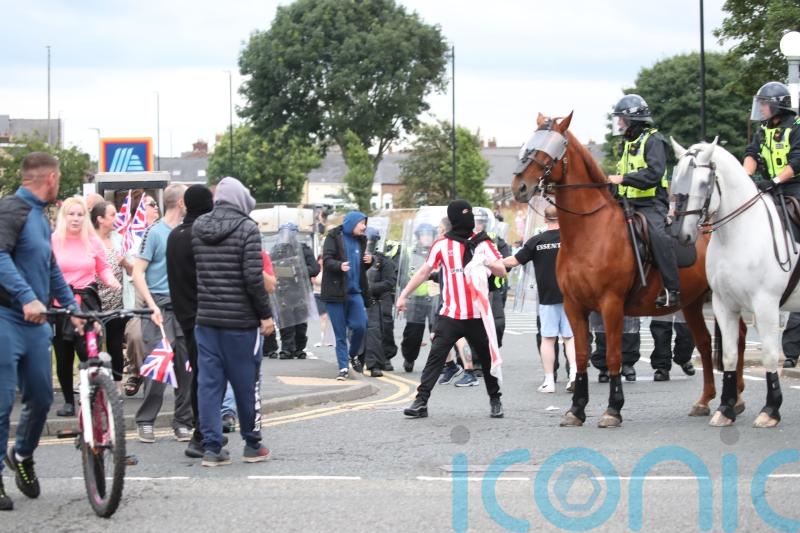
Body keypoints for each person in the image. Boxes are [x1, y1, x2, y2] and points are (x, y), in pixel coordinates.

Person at [0, 152, 85, 511]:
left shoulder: (40, 217)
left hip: (36, 325)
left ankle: (22, 455)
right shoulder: (11, 210)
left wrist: (73, 309)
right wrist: (26, 298)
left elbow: (50, 269)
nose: (59, 182)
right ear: (50, 177)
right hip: (6, 318)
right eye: (60, 177)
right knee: (2, 404)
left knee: (42, 398)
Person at [192, 177, 274, 466]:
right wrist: (265, 315)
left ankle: (212, 448)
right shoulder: (247, 229)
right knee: (246, 384)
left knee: (209, 386)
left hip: (207, 321)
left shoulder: (198, 228)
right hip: (241, 323)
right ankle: (252, 445)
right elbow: (253, 278)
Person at [400, 200, 507, 419]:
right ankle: (421, 402)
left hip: (477, 315)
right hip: (451, 314)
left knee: (486, 360)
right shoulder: (441, 245)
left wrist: (485, 261)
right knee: (435, 358)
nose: (468, 221)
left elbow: (502, 271)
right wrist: (403, 295)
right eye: (463, 216)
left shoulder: (482, 243)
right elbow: (423, 272)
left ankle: (495, 400)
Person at [742, 81, 800, 368]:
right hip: (768, 189)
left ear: (777, 105)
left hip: (794, 188)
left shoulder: (797, 125)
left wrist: (775, 181)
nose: (761, 109)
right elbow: (752, 154)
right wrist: (744, 181)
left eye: (764, 104)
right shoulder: (764, 130)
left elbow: (797, 160)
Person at [132, 183, 193, 444]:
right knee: (158, 365)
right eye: (187, 198)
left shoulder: (186, 232)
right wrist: (151, 305)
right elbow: (137, 272)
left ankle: (183, 421)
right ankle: (145, 421)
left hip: (182, 306)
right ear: (180, 203)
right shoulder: (154, 233)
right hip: (158, 306)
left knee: (186, 366)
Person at [608, 94, 680, 308]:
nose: (619, 123)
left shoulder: (654, 140)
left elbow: (654, 174)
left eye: (621, 118)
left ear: (633, 119)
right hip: (626, 202)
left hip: (651, 203)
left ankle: (672, 290)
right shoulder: (626, 143)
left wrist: (623, 178)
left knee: (658, 236)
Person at [51, 197, 121, 416]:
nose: (75, 218)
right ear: (64, 217)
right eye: (71, 214)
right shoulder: (53, 240)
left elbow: (103, 267)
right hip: (60, 305)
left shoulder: (93, 241)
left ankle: (91, 397)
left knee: (90, 354)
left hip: (88, 303)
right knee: (63, 357)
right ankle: (68, 402)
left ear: (85, 217)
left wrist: (111, 280)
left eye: (80, 214)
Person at [503, 206, 577, 392]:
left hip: (547, 297)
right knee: (570, 338)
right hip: (571, 295)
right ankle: (575, 376)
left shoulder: (536, 241)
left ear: (545, 220)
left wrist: (488, 261)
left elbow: (513, 261)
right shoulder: (572, 238)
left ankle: (549, 381)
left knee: (548, 339)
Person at [165, 184, 215, 458]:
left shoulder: (175, 236)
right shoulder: (202, 236)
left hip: (184, 314)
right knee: (208, 377)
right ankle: (203, 434)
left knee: (197, 374)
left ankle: (203, 431)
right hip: (208, 315)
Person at [321, 211, 372, 380]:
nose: (364, 226)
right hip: (335, 292)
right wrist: (339, 265)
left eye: (365, 223)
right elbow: (326, 260)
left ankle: (352, 355)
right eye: (361, 223)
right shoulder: (333, 236)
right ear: (351, 223)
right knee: (340, 333)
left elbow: (360, 268)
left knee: (361, 326)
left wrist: (369, 262)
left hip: (355, 292)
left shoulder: (361, 240)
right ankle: (343, 367)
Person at [123, 193, 160, 397]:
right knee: (136, 334)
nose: (156, 207)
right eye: (151, 204)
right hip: (138, 289)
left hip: (161, 290)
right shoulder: (128, 237)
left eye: (156, 204)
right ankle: (138, 372)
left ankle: (157, 377)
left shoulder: (163, 230)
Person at [90, 200, 127, 392]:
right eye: (112, 215)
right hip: (93, 302)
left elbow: (131, 268)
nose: (116, 218)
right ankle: (93, 384)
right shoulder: (88, 240)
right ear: (100, 219)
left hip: (116, 302)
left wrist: (126, 262)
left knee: (115, 344)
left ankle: (117, 386)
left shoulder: (119, 239)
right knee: (93, 345)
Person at [273, 223, 319, 360]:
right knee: (285, 321)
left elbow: (315, 269)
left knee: (300, 322)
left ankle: (299, 348)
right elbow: (271, 267)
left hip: (300, 290)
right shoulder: (277, 250)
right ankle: (287, 349)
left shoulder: (304, 250)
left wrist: (299, 272)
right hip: (283, 291)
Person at [399, 222, 437, 372]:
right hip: (416, 299)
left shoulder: (437, 251)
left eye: (429, 234)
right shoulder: (410, 252)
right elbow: (402, 275)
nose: (426, 237)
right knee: (413, 334)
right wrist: (404, 295)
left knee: (438, 333)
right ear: (418, 237)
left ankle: (440, 362)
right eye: (424, 234)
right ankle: (409, 358)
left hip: (435, 298)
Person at [362, 227, 397, 377]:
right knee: (359, 331)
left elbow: (389, 283)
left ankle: (382, 359)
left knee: (383, 330)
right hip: (360, 300)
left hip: (379, 299)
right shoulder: (354, 258)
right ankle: (360, 358)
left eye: (370, 241)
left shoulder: (383, 261)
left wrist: (369, 288)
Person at [649, 314, 696, 381]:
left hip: (683, 303)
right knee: (661, 326)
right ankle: (662, 366)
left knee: (687, 326)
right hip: (663, 304)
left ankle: (683, 358)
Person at [312, 255, 334, 349]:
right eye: (320, 259)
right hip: (318, 295)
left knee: (329, 318)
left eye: (323, 259)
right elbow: (315, 282)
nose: (322, 261)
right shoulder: (315, 271)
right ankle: (322, 339)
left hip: (328, 295)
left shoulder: (329, 270)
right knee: (324, 317)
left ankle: (328, 340)